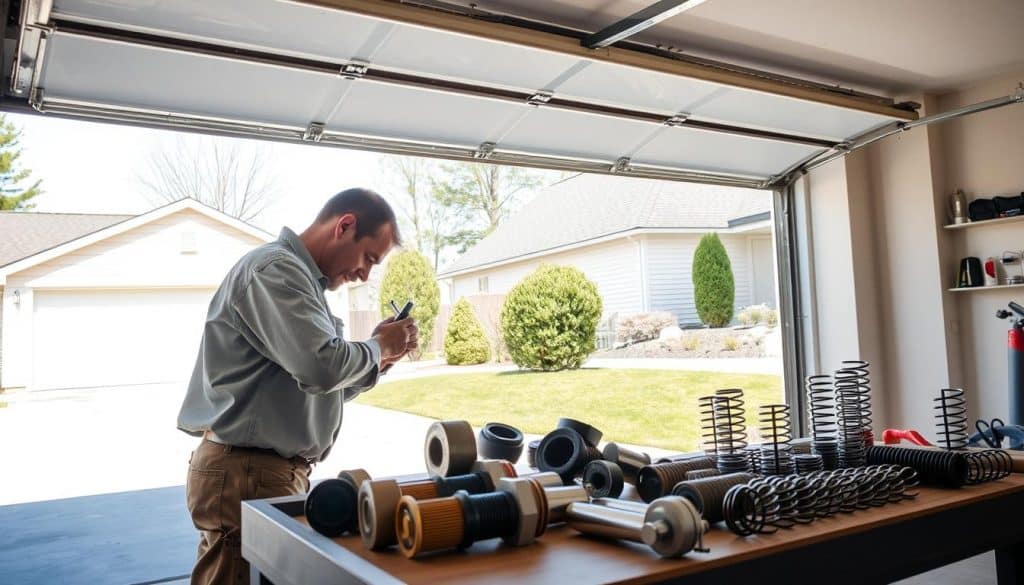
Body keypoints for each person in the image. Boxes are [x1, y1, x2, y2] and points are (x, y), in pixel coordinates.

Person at [177, 187, 417, 585]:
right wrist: (376, 346)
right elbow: (321, 367)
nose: (365, 274)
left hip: (258, 471)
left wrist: (380, 360)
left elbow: (317, 387)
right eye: (368, 258)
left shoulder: (302, 282)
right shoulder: (276, 271)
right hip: (248, 471)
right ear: (344, 226)